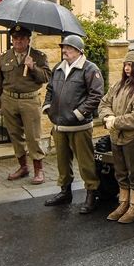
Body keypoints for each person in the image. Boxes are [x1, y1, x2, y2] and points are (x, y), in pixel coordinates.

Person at [43, 34, 105, 210]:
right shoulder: (58, 68)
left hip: (80, 126)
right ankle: (65, 192)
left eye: (69, 48)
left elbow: (96, 95)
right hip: (59, 124)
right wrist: (47, 107)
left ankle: (91, 193)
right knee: (62, 161)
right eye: (63, 47)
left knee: (86, 163)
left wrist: (79, 113)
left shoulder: (90, 69)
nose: (64, 51)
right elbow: (50, 89)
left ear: (79, 51)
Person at [97, 50, 134, 223]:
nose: (127, 68)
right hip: (116, 137)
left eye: (130, 65)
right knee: (120, 172)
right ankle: (123, 203)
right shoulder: (119, 85)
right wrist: (107, 117)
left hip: (133, 138)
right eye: (125, 65)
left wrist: (116, 122)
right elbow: (104, 102)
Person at [0, 25, 52, 185]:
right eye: (15, 38)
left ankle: (38, 170)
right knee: (15, 136)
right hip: (9, 100)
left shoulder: (38, 56)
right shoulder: (4, 56)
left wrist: (33, 67)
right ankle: (23, 167)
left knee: (33, 137)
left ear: (28, 40)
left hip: (29, 101)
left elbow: (46, 77)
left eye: (21, 38)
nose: (18, 41)